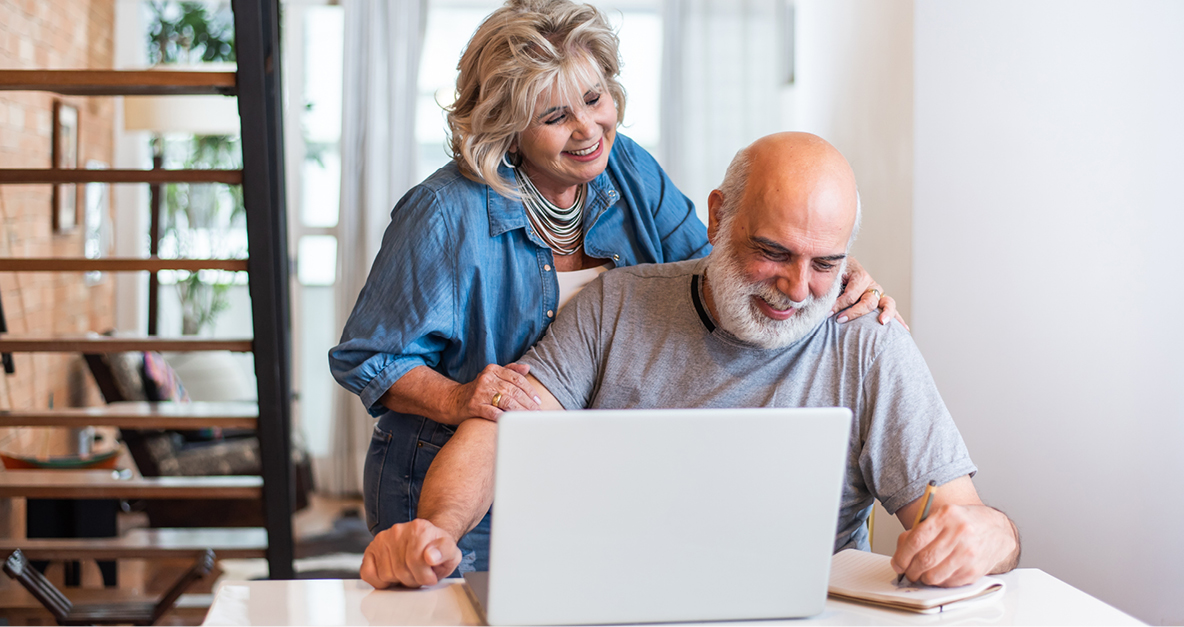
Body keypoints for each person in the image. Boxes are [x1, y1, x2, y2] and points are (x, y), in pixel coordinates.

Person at [332, 0, 900, 579]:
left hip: (577, 479)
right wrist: (459, 398)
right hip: (452, 483)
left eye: (595, 98)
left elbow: (717, 268)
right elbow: (367, 358)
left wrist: (830, 274)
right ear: (507, 125)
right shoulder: (442, 213)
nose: (588, 129)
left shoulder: (627, 169)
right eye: (555, 116)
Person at [359, 132, 1020, 591]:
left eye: (825, 262)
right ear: (717, 217)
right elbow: (500, 426)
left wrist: (988, 537)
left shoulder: (869, 338)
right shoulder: (617, 304)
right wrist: (435, 529)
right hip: (615, 607)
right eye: (773, 251)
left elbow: (967, 516)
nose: (796, 288)